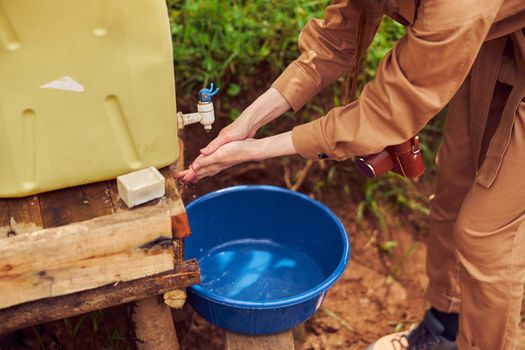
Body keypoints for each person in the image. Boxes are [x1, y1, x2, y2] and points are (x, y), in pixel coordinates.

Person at [175, 1, 525, 349]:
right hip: (490, 46)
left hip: (471, 29)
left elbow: (384, 114)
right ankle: (445, 329)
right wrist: (247, 123)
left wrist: (253, 150)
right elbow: (333, 40)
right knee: (454, 190)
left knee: (486, 237)